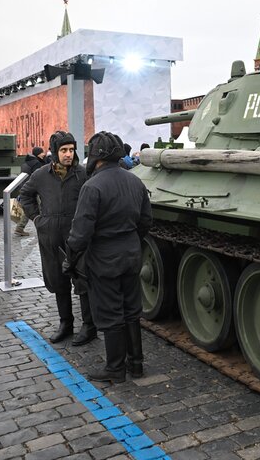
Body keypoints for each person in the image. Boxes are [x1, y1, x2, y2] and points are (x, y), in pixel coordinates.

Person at [66, 131, 152, 383]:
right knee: (131, 309)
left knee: (111, 312)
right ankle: (136, 364)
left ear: (95, 156)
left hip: (104, 257)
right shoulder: (135, 181)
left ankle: (115, 368)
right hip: (131, 252)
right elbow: (146, 221)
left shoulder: (92, 186)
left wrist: (70, 259)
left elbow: (80, 232)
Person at [20, 131, 96, 345]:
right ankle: (66, 323)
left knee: (82, 280)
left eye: (71, 150)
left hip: (77, 236)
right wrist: (36, 218)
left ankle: (89, 326)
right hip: (51, 235)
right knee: (57, 279)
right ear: (55, 152)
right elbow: (25, 195)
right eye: (64, 150)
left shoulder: (83, 174)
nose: (68, 154)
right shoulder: (41, 175)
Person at [13, 146, 45, 237]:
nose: (44, 154)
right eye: (42, 152)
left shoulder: (26, 163)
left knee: (28, 209)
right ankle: (43, 227)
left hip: (26, 188)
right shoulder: (36, 164)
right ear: (38, 154)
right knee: (42, 208)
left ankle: (20, 228)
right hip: (34, 190)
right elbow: (38, 178)